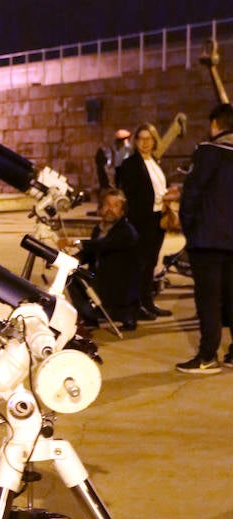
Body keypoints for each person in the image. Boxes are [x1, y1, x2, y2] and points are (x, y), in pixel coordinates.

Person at [176, 102, 233, 374]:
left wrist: (190, 229)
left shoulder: (208, 151)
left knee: (208, 299)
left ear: (215, 125)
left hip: (208, 240)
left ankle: (208, 355)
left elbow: (191, 195)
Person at [118, 123, 172, 320]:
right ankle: (137, 305)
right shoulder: (130, 164)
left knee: (151, 263)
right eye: (141, 138)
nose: (145, 142)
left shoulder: (156, 161)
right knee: (140, 264)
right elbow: (132, 194)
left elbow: (159, 188)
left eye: (149, 138)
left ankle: (148, 302)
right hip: (142, 220)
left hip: (158, 218)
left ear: (155, 140)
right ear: (135, 141)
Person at [77, 188, 139, 331]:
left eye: (115, 205)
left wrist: (78, 243)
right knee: (72, 275)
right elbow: (92, 252)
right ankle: (90, 317)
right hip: (98, 277)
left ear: (122, 211)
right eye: (107, 205)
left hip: (118, 284)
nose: (110, 209)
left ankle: (125, 317)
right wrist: (75, 259)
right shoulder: (98, 229)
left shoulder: (126, 230)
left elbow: (104, 245)